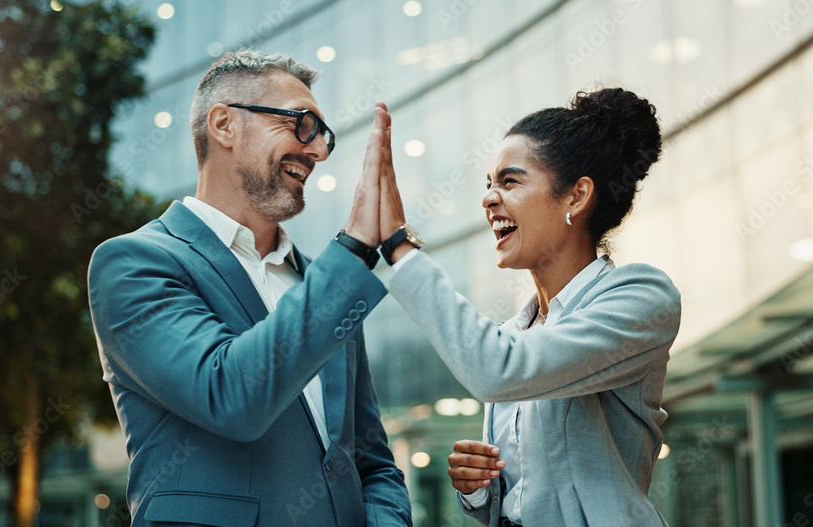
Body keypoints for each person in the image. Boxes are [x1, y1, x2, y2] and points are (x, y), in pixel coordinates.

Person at [87, 51, 411, 527]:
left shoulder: (325, 280)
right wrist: (357, 245)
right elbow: (230, 396)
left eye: (324, 136)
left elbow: (371, 461)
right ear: (224, 125)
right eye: (302, 124)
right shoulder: (134, 263)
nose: (318, 152)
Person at [372, 88, 681, 526]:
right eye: (489, 184)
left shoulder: (641, 297)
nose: (489, 198)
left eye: (510, 181)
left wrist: (400, 247)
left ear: (576, 197)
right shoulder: (513, 333)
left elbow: (498, 370)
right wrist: (478, 489)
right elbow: (520, 497)